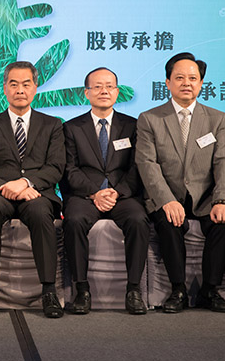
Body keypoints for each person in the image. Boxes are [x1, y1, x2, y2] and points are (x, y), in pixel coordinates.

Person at [136, 52, 225, 313]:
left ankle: (209, 290)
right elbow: (147, 163)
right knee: (168, 222)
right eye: (179, 78)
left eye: (193, 78)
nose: (186, 83)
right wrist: (166, 200)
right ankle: (178, 289)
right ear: (167, 82)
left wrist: (222, 200)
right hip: (167, 195)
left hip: (205, 197)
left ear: (201, 84)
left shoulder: (217, 118)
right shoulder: (150, 118)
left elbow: (223, 162)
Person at [0, 61, 66, 318]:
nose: (20, 90)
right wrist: (7, 187)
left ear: (35, 87)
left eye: (26, 84)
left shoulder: (52, 125)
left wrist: (25, 183)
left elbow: (56, 166)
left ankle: (49, 292)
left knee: (40, 212)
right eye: (13, 84)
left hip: (36, 193)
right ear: (4, 88)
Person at [60, 67, 149, 315]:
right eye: (97, 86)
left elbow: (138, 166)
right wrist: (94, 193)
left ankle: (133, 290)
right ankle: (81, 289)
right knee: (74, 221)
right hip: (85, 195)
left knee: (138, 219)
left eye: (109, 86)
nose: (104, 91)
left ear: (117, 92)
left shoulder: (133, 125)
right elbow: (69, 168)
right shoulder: (71, 127)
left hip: (122, 194)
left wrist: (116, 192)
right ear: (86, 93)